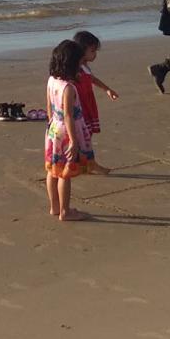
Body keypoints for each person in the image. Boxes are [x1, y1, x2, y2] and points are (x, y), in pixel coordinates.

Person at [45, 39, 94, 221]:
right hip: (66, 131)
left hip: (53, 131)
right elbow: (68, 116)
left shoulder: (52, 81)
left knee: (52, 170)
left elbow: (49, 105)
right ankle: (66, 211)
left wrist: (51, 124)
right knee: (65, 173)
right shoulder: (69, 88)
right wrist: (74, 141)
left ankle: (54, 207)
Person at [72, 30, 117, 175]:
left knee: (86, 135)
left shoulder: (84, 66)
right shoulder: (74, 69)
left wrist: (107, 89)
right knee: (83, 137)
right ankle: (89, 164)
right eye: (92, 51)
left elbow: (92, 79)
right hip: (80, 107)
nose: (95, 54)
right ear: (81, 50)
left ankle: (83, 164)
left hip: (88, 104)